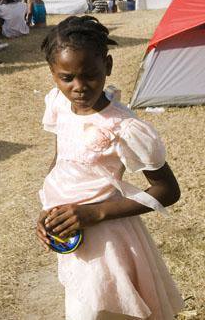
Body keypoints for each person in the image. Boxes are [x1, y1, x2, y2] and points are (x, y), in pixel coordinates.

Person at [35, 16, 184, 320]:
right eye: (66, 78)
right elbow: (60, 164)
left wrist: (96, 212)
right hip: (72, 234)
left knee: (97, 311)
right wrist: (49, 213)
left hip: (109, 240)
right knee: (81, 306)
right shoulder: (59, 105)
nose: (78, 87)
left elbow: (168, 190)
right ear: (53, 74)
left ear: (108, 65)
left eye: (90, 74)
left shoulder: (123, 127)